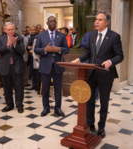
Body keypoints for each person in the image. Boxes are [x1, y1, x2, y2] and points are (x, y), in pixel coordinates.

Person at [71, 10, 124, 138]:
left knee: (104, 102)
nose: (96, 22)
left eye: (100, 20)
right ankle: (90, 124)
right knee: (89, 100)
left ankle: (101, 127)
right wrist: (78, 59)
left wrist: (110, 61)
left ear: (106, 22)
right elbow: (88, 53)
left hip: (106, 74)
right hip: (91, 73)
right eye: (96, 19)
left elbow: (120, 56)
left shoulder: (114, 36)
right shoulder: (92, 36)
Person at [35, 16, 69, 117]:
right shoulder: (41, 35)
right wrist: (45, 50)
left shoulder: (61, 35)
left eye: (54, 21)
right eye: (51, 21)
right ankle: (46, 108)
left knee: (58, 89)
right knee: (45, 89)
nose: (53, 23)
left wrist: (59, 49)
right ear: (47, 23)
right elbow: (36, 49)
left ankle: (58, 108)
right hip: (45, 66)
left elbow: (66, 49)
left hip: (58, 65)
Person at [0, 22, 25, 113]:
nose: (11, 31)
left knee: (19, 87)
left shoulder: (20, 38)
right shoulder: (0, 38)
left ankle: (19, 105)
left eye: (12, 29)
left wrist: (15, 44)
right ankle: (9, 104)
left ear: (14, 29)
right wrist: (7, 45)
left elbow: (23, 51)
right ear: (5, 30)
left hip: (17, 66)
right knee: (7, 87)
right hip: (5, 66)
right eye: (8, 29)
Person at [80, 24, 99, 103]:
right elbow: (82, 43)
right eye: (94, 27)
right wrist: (90, 44)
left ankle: (95, 96)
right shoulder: (87, 34)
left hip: (97, 61)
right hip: (87, 60)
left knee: (96, 79)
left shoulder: (101, 36)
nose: (95, 28)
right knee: (87, 79)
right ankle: (87, 95)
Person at [32, 28, 45, 94]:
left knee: (43, 76)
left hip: (43, 59)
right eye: (41, 32)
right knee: (37, 75)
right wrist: (36, 57)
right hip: (37, 60)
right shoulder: (35, 40)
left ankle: (43, 89)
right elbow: (34, 50)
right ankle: (38, 89)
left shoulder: (46, 40)